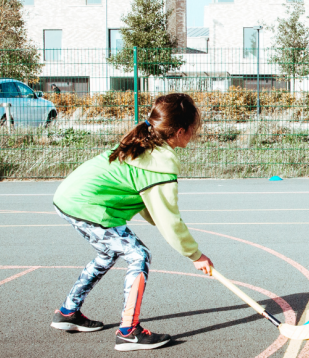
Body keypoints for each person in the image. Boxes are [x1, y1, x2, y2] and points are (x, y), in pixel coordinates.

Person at [50, 93, 214, 351]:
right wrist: (195, 255)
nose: (195, 133)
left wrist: (180, 240)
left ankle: (68, 312)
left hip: (71, 199)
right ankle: (129, 331)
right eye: (194, 128)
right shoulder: (161, 161)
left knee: (107, 253)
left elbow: (151, 207)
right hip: (88, 207)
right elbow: (168, 219)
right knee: (139, 254)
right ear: (181, 131)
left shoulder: (147, 145)